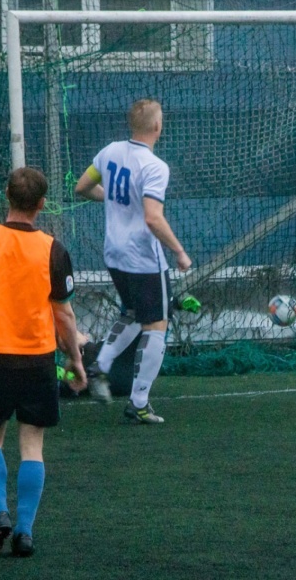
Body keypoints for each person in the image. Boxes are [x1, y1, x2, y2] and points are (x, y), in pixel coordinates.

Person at [0, 167, 87, 556]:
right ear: (42, 204)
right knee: (32, 444)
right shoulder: (53, 250)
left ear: (7, 197)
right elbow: (64, 315)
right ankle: (25, 531)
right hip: (38, 359)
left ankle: (0, 512)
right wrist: (75, 358)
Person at [75, 98, 192, 424]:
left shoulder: (109, 151)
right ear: (157, 126)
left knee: (133, 314)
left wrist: (113, 198)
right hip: (143, 258)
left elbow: (82, 187)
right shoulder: (155, 167)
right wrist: (179, 251)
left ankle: (100, 364)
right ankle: (139, 403)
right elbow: (153, 218)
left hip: (114, 253)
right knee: (157, 324)